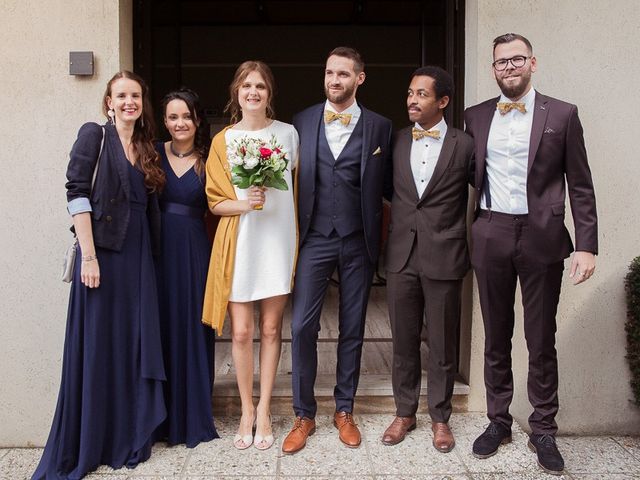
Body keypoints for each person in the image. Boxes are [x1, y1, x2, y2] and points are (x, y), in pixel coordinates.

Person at [464, 33, 598, 475]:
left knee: (541, 338)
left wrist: (586, 245)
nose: (509, 67)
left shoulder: (562, 114)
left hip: (541, 237)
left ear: (533, 63)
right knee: (496, 335)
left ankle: (543, 428)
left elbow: (580, 183)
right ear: (493, 69)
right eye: (501, 61)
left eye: (517, 59)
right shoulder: (476, 116)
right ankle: (498, 421)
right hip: (491, 232)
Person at [33, 71, 167, 479]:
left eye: (136, 96)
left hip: (139, 259)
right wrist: (89, 257)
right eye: (122, 95)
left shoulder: (145, 147)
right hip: (104, 261)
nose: (130, 102)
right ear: (108, 101)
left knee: (131, 344)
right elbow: (76, 193)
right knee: (101, 347)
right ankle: (94, 438)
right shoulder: (95, 135)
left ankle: (126, 432)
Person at [282, 46, 392, 454]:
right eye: (329, 72)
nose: (334, 80)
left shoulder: (380, 128)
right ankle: (303, 414)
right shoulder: (303, 121)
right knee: (301, 327)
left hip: (358, 239)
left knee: (352, 327)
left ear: (359, 78)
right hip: (314, 237)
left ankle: (343, 409)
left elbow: (388, 188)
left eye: (343, 74)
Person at [202, 61, 298, 451]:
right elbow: (213, 202)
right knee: (241, 332)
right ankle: (245, 408)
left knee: (273, 330)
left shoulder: (288, 134)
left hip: (277, 239)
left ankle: (264, 410)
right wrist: (246, 204)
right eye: (246, 86)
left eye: (260, 86)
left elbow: (297, 187)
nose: (253, 92)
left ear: (269, 92)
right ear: (236, 93)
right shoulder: (222, 141)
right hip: (240, 242)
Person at [382, 66, 474, 453]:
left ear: (443, 101)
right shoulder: (397, 141)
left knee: (441, 342)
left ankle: (440, 417)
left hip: (445, 253)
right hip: (401, 254)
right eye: (409, 93)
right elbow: (389, 191)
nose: (412, 100)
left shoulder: (465, 144)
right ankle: (404, 412)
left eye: (421, 94)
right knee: (402, 340)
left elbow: (484, 189)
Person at [154, 88, 219, 448]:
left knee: (193, 325)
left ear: (197, 121)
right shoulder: (151, 155)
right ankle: (158, 415)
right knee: (160, 326)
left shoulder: (208, 160)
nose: (180, 123)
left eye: (187, 117)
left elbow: (222, 204)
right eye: (173, 117)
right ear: (165, 122)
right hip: (158, 253)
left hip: (195, 250)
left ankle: (192, 414)